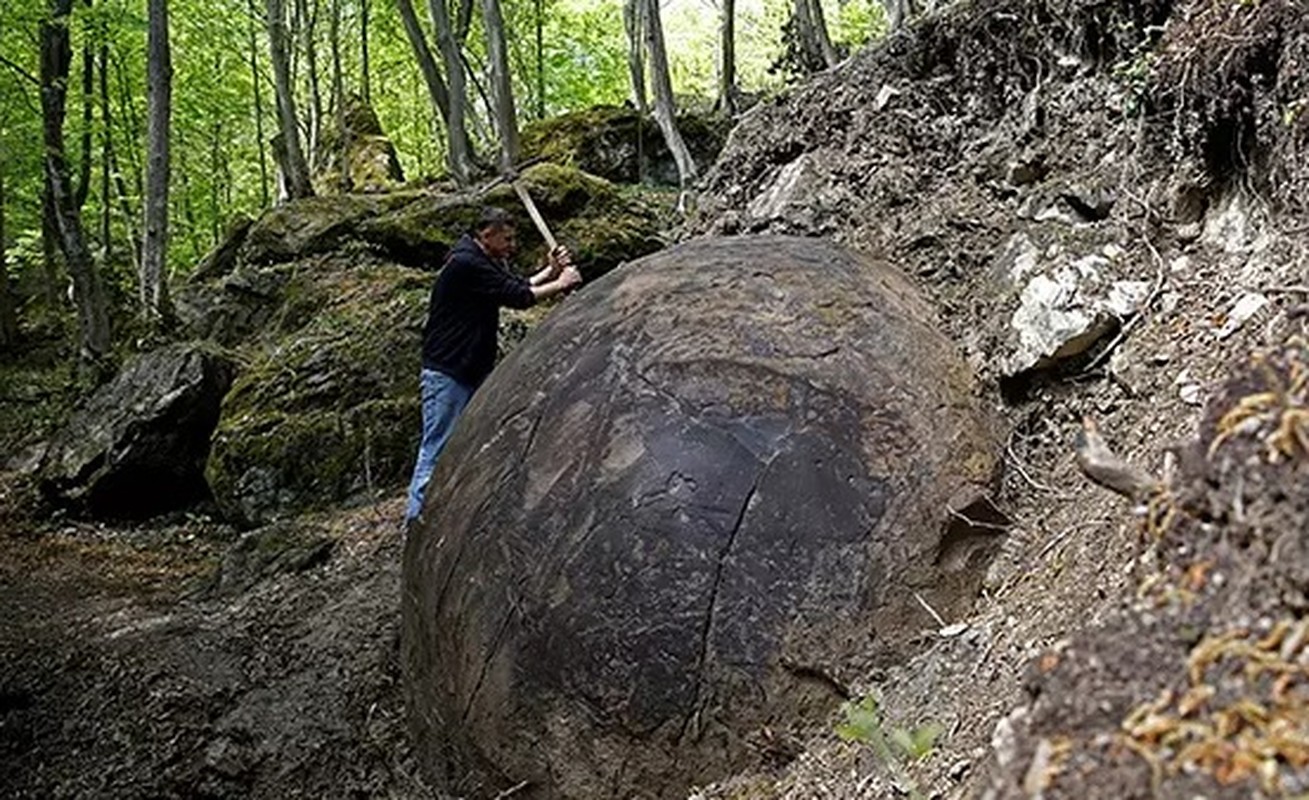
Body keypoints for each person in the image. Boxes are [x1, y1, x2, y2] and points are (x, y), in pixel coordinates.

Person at [404, 207, 582, 524]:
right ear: (487, 235)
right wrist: (561, 282)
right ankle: (417, 520)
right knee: (438, 445)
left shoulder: (478, 259)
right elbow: (518, 297)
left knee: (471, 441)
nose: (513, 244)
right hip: (448, 371)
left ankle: (455, 512)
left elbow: (511, 284)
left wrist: (550, 271)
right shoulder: (465, 263)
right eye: (508, 238)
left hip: (469, 368)